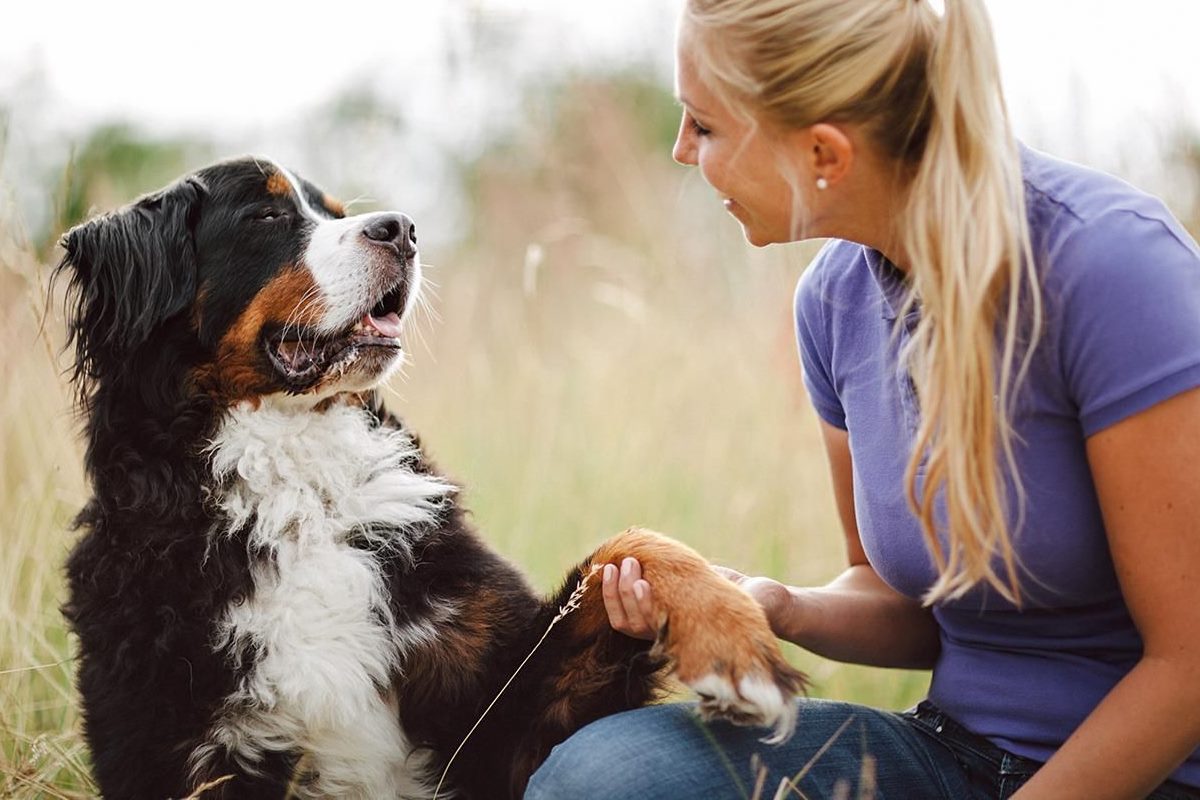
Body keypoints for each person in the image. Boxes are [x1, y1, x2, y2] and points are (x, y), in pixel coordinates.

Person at [522, 0, 1200, 798]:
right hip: (953, 754)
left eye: (703, 126)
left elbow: (1187, 664)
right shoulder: (833, 302)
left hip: (1148, 776)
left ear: (824, 154)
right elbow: (902, 599)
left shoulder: (1114, 267)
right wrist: (781, 606)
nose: (678, 150)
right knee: (608, 777)